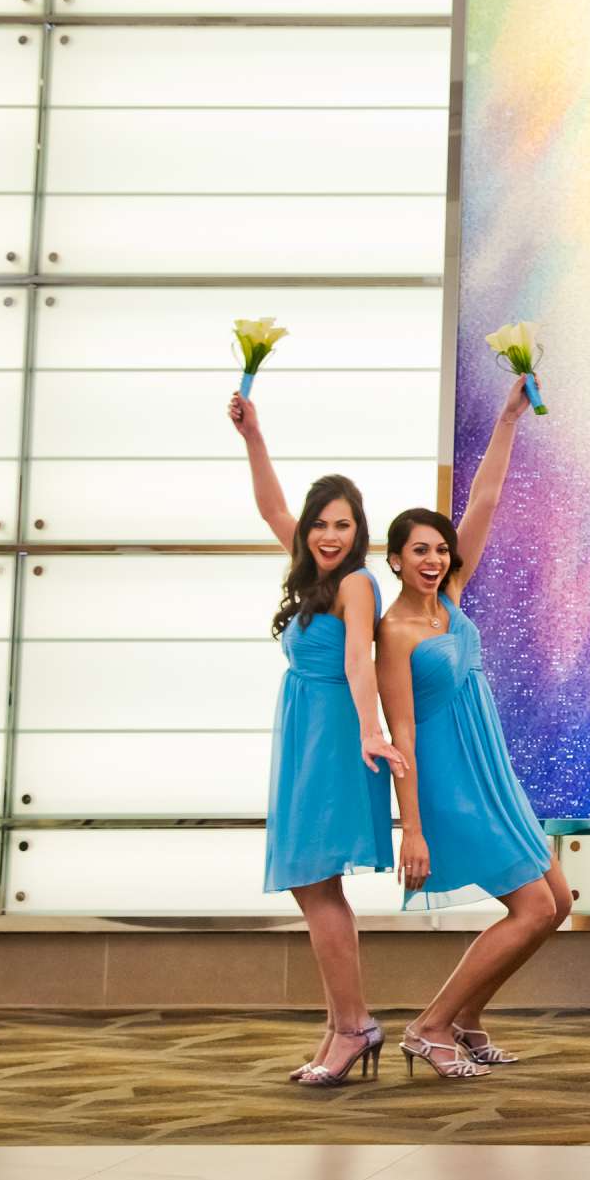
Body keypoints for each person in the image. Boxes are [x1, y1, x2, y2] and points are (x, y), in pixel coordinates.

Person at [376, 374, 569, 1077]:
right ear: (394, 559)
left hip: (493, 774)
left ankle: (466, 1018)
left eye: (438, 550)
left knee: (559, 903)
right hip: (449, 784)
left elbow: (483, 499)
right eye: (418, 551)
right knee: (528, 908)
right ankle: (429, 1025)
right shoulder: (393, 631)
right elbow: (399, 730)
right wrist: (415, 827)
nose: (432, 560)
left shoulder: (450, 599)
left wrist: (509, 421)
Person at [230, 393, 403, 1087]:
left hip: (335, 737)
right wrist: (254, 436)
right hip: (304, 734)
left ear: (359, 531)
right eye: (320, 525)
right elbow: (274, 509)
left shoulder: (356, 583)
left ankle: (354, 1025)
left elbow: (360, 660)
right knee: (311, 885)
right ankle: (342, 1021)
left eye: (343, 525)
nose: (329, 535)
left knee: (316, 882)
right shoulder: (311, 574)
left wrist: (369, 729)